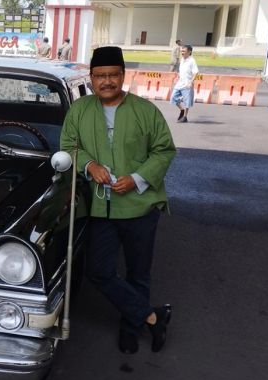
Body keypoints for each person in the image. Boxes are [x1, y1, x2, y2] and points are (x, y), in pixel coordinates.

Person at [60, 46, 176, 355]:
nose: (106, 81)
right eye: (100, 76)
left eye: (113, 75)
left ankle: (130, 326)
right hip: (101, 208)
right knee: (99, 271)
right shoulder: (80, 109)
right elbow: (68, 146)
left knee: (138, 272)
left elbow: (164, 150)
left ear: (123, 76)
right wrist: (90, 165)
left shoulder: (145, 110)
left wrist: (137, 178)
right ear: (92, 78)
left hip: (140, 206)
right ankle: (150, 316)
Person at [170, 44, 198, 123]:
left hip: (187, 85)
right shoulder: (182, 59)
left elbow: (196, 72)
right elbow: (181, 70)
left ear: (189, 52)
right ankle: (182, 110)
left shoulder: (192, 60)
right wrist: (177, 77)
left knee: (187, 101)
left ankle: (185, 117)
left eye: (184, 51)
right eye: (181, 51)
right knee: (173, 98)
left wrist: (191, 82)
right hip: (179, 83)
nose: (182, 52)